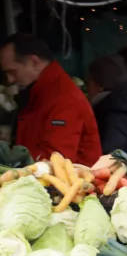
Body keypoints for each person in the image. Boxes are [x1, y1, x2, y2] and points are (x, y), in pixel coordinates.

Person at [0, 34, 101, 164]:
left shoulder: (64, 98)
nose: (10, 79)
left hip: (66, 180)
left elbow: (57, 160)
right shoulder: (41, 90)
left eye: (13, 72)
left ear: (34, 62)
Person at [86, 54, 127, 156]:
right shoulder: (116, 107)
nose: (87, 86)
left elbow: (110, 157)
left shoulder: (115, 116)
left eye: (89, 80)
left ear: (100, 85)